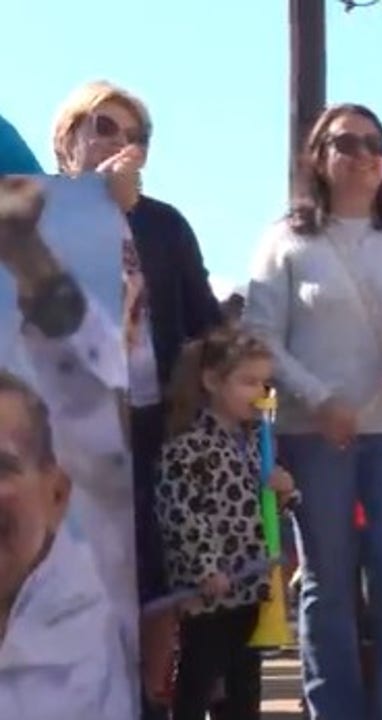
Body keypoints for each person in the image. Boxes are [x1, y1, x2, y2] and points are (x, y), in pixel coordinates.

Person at [244, 102, 382, 720]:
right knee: (327, 582)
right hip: (316, 437)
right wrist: (320, 399)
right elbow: (261, 336)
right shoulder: (286, 238)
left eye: (376, 144)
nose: (364, 154)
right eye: (347, 142)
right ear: (319, 154)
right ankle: (332, 708)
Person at [50, 80, 223, 715]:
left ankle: (148, 701)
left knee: (155, 571)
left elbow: (205, 321)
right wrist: (96, 213)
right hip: (70, 428)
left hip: (156, 414)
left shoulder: (164, 223)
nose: (119, 144)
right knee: (79, 574)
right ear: (67, 138)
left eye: (133, 135)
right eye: (102, 127)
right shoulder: (32, 216)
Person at [0, 176, 133, 719]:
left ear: (57, 492)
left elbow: (89, 403)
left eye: (1, 467)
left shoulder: (102, 602)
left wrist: (27, 256)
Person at [153, 327, 295, 720]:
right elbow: (180, 512)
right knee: (199, 680)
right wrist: (205, 567)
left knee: (243, 685)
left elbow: (263, 512)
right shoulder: (189, 446)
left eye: (264, 383)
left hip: (248, 586)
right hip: (208, 592)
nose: (260, 393)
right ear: (213, 381)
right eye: (248, 382)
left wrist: (283, 492)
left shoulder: (254, 442)